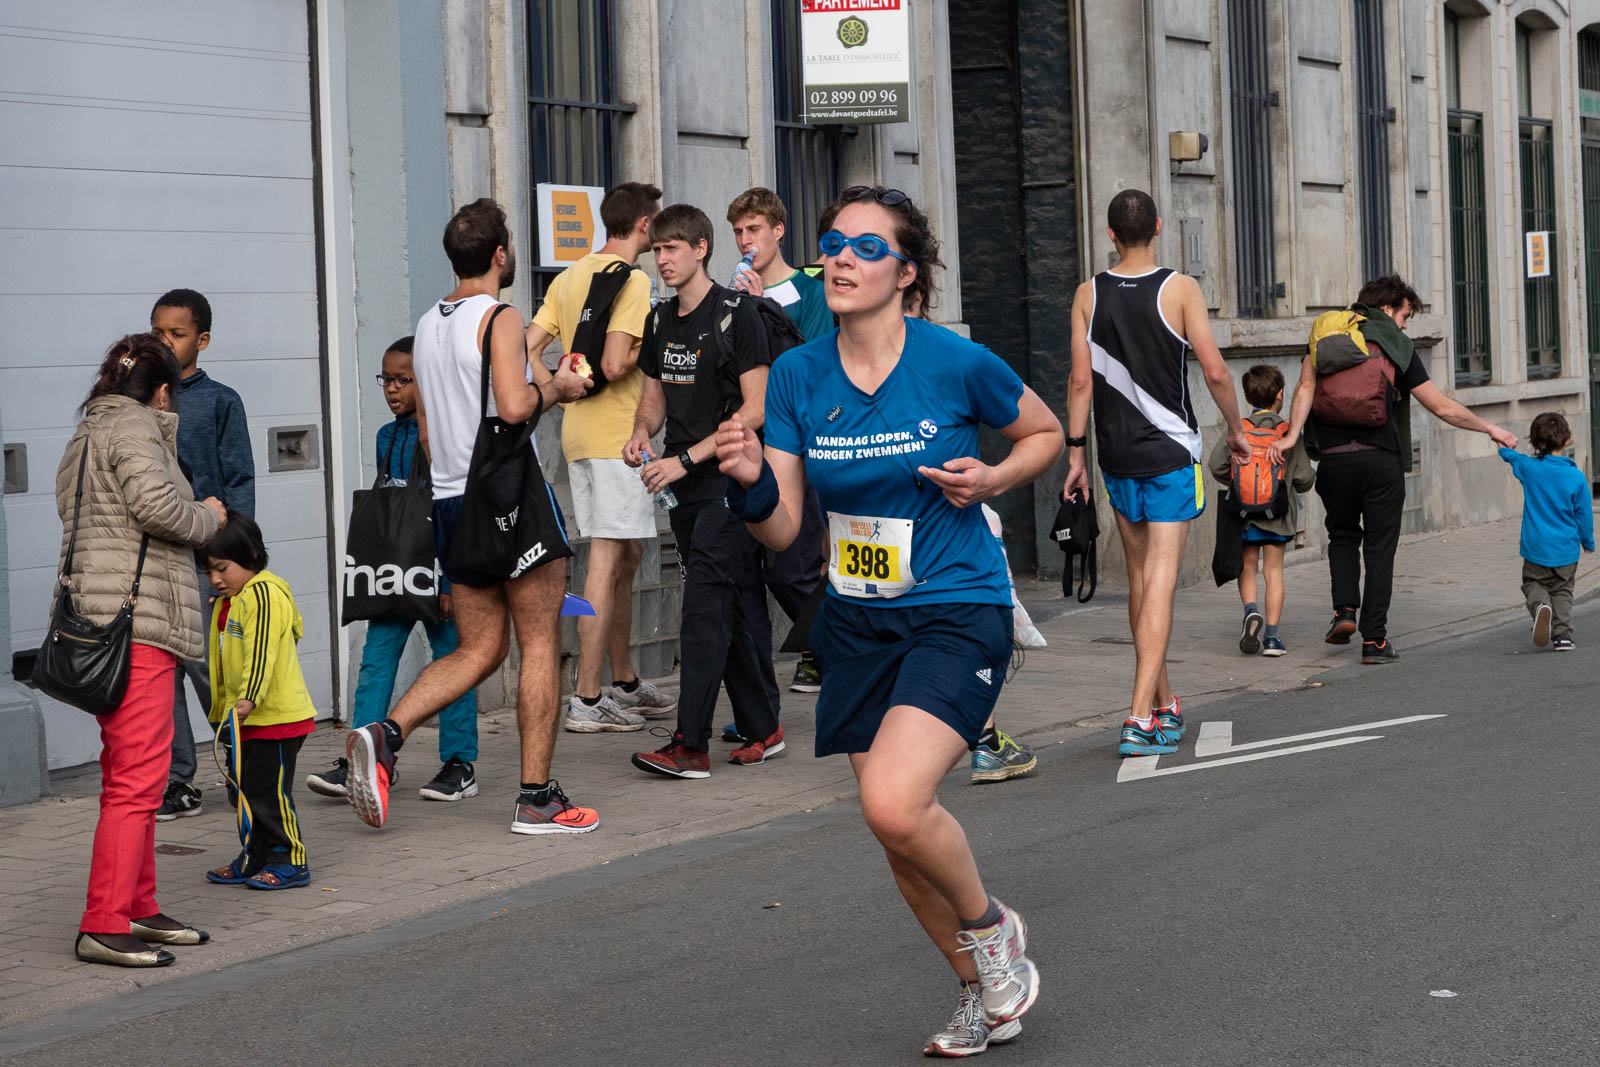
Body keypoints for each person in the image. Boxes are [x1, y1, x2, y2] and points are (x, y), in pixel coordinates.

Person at [715, 186, 1060, 1055]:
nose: (839, 258)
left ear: (906, 274)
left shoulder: (953, 360)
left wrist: (991, 479)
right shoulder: (798, 373)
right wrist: (752, 478)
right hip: (856, 620)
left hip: (956, 605)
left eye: (866, 249)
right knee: (894, 834)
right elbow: (785, 525)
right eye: (832, 242)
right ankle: (981, 992)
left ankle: (994, 931)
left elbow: (1046, 433)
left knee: (896, 801)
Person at [342, 197, 598, 835]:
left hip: (452, 500)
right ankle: (537, 798)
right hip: (509, 499)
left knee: (481, 646)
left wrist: (542, 375)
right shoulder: (500, 316)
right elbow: (514, 407)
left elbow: (429, 431)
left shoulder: (428, 323)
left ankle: (387, 733)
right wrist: (559, 390)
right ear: (501, 255)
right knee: (539, 644)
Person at [1064, 189, 1251, 756]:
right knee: (1161, 580)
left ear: (1110, 234)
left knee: (1142, 580)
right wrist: (1237, 429)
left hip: (1115, 454)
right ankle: (1138, 715)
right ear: (1160, 228)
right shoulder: (1181, 289)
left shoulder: (1087, 293)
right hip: (1170, 452)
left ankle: (1165, 703)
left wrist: (1076, 454)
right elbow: (1216, 371)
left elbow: (1078, 382)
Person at [59, 334, 225, 967]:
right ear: (161, 391)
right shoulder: (133, 429)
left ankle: (139, 906)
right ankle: (103, 922)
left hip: (100, 624)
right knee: (136, 782)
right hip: (139, 626)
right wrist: (208, 515)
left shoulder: (87, 433)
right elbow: (159, 509)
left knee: (132, 775)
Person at [1270, 274, 1518, 663]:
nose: (1404, 325)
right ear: (1387, 308)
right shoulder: (1395, 343)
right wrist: (1489, 427)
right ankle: (1375, 642)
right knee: (1380, 549)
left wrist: (1290, 437)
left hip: (1334, 460)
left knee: (1342, 536)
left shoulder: (1327, 333)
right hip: (1380, 459)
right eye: (1405, 316)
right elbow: (1440, 406)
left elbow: (1304, 388)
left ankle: (1344, 611)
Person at [624, 204, 779, 777]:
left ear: (701, 248)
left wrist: (685, 459)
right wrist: (642, 432)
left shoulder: (738, 314)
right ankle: (766, 726)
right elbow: (654, 394)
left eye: (672, 248)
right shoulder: (660, 320)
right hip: (684, 484)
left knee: (702, 605)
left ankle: (690, 744)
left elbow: (756, 408)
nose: (662, 259)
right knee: (728, 601)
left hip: (729, 481)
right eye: (657, 249)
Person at [524, 182, 675, 733]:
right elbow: (615, 364)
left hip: (578, 435)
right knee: (609, 558)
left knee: (626, 556)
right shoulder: (633, 280)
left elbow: (527, 341)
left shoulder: (569, 275)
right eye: (656, 225)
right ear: (643, 225)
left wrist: (551, 388)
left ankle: (624, 681)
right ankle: (587, 700)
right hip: (618, 438)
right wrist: (654, 342)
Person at [306, 337, 482, 802]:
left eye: (404, 379)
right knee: (376, 661)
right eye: (387, 379)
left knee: (453, 665)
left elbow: (458, 510)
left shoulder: (450, 433)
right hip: (395, 572)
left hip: (440, 573)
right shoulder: (388, 436)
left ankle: (459, 764)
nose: (392, 389)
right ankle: (364, 759)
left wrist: (448, 581)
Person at [722, 187, 830, 734]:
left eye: (754, 230)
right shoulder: (731, 295)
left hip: (803, 446)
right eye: (738, 233)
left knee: (794, 568)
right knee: (748, 578)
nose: (745, 242)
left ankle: (838, 643)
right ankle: (759, 713)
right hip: (752, 450)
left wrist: (764, 303)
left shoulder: (808, 289)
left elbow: (817, 358)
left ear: (778, 231)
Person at [150, 288, 255, 821]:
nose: (166, 342)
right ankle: (177, 781)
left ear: (203, 340)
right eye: (159, 332)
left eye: (178, 333)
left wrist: (233, 558)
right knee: (161, 675)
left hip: (202, 562)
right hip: (155, 566)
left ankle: (241, 765)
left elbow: (239, 481)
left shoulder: (220, 401)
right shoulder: (142, 399)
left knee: (209, 671)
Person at [200, 513, 317, 890]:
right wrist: (223, 712)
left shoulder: (264, 594)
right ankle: (254, 856)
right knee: (248, 791)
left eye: (222, 568)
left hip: (277, 717)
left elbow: (262, 648)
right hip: (246, 720)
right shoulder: (229, 601)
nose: (216, 579)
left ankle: (289, 859)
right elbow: (221, 664)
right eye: (209, 572)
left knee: (269, 791)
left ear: (250, 555)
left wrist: (249, 695)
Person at [1207, 364, 1315, 656]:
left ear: (1247, 397)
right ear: (1280, 394)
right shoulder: (1286, 431)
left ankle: (1251, 611)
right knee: (1274, 572)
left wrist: (1238, 480)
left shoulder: (1238, 428)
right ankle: (1272, 638)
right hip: (1278, 514)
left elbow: (1216, 465)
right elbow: (1305, 479)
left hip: (1244, 513)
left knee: (1249, 567)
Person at [1498, 412, 1594, 651]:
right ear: (1567, 440)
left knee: (1532, 583)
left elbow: (1512, 457)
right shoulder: (1576, 477)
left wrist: (1500, 442)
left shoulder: (1529, 469)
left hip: (1535, 547)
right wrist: (1588, 541)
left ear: (1534, 443)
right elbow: (1584, 514)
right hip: (1566, 549)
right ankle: (1562, 636)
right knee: (1563, 590)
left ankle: (1541, 605)